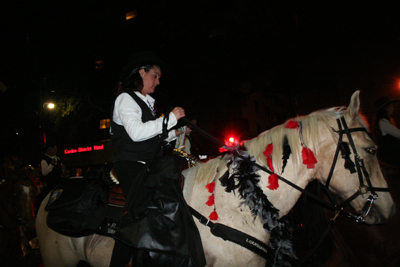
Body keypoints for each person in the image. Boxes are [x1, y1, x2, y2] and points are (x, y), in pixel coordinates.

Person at [110, 51, 206, 267]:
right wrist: (170, 118)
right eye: (155, 75)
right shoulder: (125, 98)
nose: (158, 81)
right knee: (139, 213)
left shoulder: (147, 103)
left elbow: (153, 136)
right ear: (141, 72)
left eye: (159, 77)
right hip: (129, 163)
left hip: (147, 163)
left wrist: (177, 133)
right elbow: (136, 133)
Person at [34, 144, 67, 216]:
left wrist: (63, 169)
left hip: (59, 182)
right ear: (48, 151)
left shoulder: (57, 158)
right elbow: (44, 173)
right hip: (50, 183)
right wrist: (51, 165)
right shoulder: (44, 160)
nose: (55, 150)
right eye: (53, 149)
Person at [372, 96, 400, 166]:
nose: (393, 108)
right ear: (386, 108)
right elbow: (398, 133)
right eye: (391, 107)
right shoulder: (383, 122)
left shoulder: (384, 121)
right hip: (390, 154)